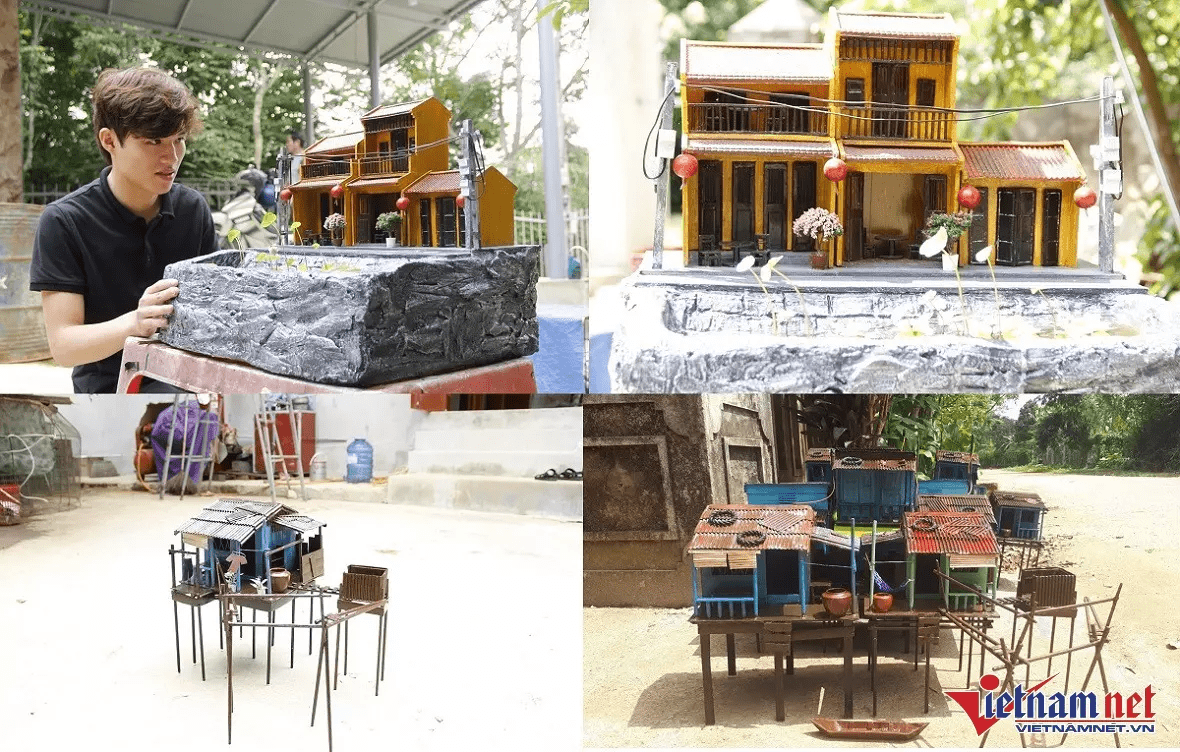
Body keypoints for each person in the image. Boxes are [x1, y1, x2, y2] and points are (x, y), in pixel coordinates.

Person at [29, 66, 217, 393]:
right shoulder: (64, 221)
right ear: (109, 140)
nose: (172, 157)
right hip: (108, 392)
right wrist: (135, 322)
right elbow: (63, 346)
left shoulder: (193, 210)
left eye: (179, 139)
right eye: (154, 141)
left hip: (187, 383)